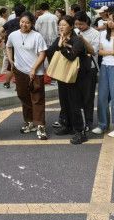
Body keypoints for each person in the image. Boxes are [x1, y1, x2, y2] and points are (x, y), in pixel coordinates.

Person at [6, 12, 48, 140]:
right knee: (24, 97)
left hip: (35, 72)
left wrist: (34, 68)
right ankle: (30, 122)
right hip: (20, 71)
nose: (24, 25)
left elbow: (42, 54)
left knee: (37, 98)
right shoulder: (13, 35)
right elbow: (8, 46)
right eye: (22, 22)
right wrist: (11, 61)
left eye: (28, 23)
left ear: (32, 24)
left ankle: (40, 126)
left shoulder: (37, 36)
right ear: (19, 22)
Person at [48, 15, 88, 144]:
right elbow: (50, 52)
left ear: (71, 26)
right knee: (64, 102)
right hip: (62, 75)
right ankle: (68, 125)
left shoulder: (77, 40)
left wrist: (62, 47)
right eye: (60, 25)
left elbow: (72, 57)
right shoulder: (59, 38)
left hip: (75, 77)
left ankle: (80, 131)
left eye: (64, 25)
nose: (61, 27)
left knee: (75, 103)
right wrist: (59, 44)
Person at [74, 12, 100, 129]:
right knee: (76, 97)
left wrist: (83, 39)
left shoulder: (95, 33)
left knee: (88, 97)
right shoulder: (74, 31)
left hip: (90, 69)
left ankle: (88, 122)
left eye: (81, 24)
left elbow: (94, 51)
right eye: (76, 24)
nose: (79, 26)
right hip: (75, 68)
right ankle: (78, 122)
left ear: (87, 22)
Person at [1, 4, 26, 89]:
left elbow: (0, 31)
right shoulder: (24, 23)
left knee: (11, 64)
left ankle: (7, 83)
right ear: (24, 12)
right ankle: (19, 84)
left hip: (10, 46)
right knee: (21, 64)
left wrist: (5, 37)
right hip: (22, 46)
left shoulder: (10, 22)